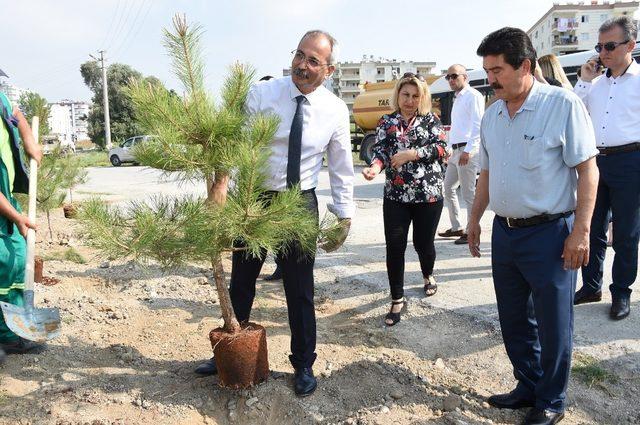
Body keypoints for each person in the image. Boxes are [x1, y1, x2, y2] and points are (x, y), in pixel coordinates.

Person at [195, 30, 355, 397]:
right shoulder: (263, 94)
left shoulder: (334, 109)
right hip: (254, 198)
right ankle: (227, 349)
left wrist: (343, 216)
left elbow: (342, 166)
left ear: (328, 70)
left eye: (313, 60)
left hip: (300, 203)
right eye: (300, 54)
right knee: (242, 280)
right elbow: (235, 140)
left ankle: (303, 364)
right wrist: (222, 185)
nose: (302, 64)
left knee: (300, 289)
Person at [469, 27, 598, 425]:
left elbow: (588, 171)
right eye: (487, 71)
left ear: (525, 65)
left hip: (550, 235)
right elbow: (486, 176)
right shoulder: (492, 115)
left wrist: (582, 231)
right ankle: (527, 384)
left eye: (497, 71)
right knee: (513, 318)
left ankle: (552, 401)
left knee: (554, 322)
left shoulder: (562, 105)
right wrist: (473, 220)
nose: (490, 79)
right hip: (505, 234)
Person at [362, 73, 447, 326]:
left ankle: (427, 274)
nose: (409, 101)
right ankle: (397, 298)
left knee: (423, 244)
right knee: (395, 246)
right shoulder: (386, 122)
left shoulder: (431, 120)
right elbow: (380, 153)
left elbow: (443, 148)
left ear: (422, 98)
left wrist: (412, 154)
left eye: (415, 96)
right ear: (397, 95)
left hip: (428, 194)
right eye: (405, 95)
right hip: (396, 196)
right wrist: (374, 168)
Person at [573, 16, 640, 321]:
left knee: (626, 233)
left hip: (631, 161)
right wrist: (585, 80)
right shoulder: (594, 84)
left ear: (630, 45)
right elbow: (573, 113)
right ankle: (590, 286)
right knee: (591, 227)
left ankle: (622, 292)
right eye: (599, 46)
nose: (603, 52)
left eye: (610, 45)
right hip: (595, 162)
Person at [0, 90, 44, 363]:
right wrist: (17, 217)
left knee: (16, 256)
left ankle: (15, 327)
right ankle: (6, 336)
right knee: (4, 262)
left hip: (7, 202)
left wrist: (28, 139)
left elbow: (16, 114)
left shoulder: (1, 99)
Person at [438, 64, 484, 245]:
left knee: (468, 193)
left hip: (466, 150)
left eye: (454, 76)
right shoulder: (457, 98)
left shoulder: (473, 96)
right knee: (447, 188)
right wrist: (449, 149)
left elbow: (478, 126)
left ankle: (471, 230)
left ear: (465, 77)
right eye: (448, 77)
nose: (450, 79)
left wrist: (468, 151)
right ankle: (457, 227)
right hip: (455, 151)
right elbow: (457, 128)